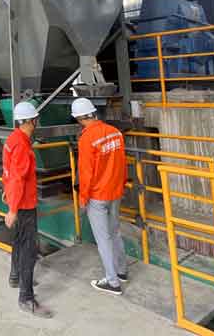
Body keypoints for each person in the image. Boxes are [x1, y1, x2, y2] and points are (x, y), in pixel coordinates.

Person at [72, 97, 128, 295]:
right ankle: (121, 270)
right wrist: (121, 184)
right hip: (115, 191)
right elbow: (123, 162)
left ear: (79, 119)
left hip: (97, 196)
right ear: (93, 113)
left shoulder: (87, 139)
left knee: (103, 239)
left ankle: (112, 282)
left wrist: (83, 198)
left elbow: (86, 173)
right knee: (115, 232)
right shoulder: (115, 132)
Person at [3, 101, 52, 318]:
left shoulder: (12, 139)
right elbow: (18, 178)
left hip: (16, 199)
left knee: (18, 240)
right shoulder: (22, 145)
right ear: (32, 121)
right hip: (24, 204)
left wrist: (8, 195)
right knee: (28, 249)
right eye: (36, 119)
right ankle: (26, 298)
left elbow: (7, 171)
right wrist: (13, 209)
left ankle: (15, 277)